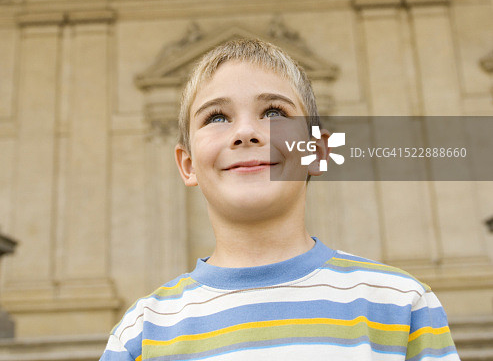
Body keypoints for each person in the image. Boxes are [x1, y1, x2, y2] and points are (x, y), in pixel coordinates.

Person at [99, 38, 460, 360]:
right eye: (217, 116)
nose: (245, 132)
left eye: (274, 113)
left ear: (317, 151)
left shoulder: (401, 304)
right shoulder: (142, 333)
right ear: (188, 164)